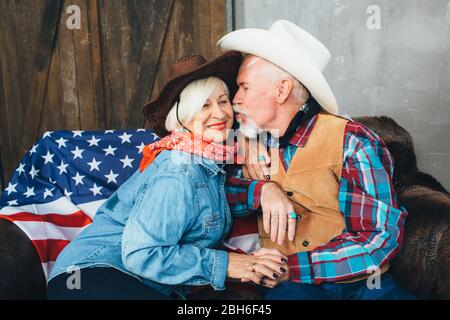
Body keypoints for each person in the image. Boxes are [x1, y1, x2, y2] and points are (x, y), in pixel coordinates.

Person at [47, 51, 288, 300]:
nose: (219, 113)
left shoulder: (210, 164)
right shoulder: (179, 168)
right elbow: (142, 253)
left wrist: (265, 185)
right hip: (95, 275)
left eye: (223, 101)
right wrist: (229, 264)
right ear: (182, 116)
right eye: (204, 105)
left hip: (145, 285)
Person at [220, 20, 416, 299]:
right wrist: (262, 190)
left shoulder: (351, 141)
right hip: (291, 290)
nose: (235, 99)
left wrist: (294, 267)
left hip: (364, 286)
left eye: (244, 87)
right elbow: (218, 197)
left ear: (281, 90)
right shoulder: (244, 140)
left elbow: (380, 235)